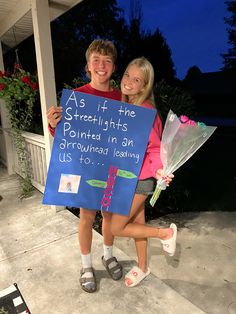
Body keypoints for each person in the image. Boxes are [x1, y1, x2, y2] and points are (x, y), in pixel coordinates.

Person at [47, 39, 123, 293]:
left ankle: (109, 255)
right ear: (88, 67)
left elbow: (129, 136)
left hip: (113, 168)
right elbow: (66, 137)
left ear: (113, 67)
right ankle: (86, 265)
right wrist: (53, 125)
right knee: (87, 217)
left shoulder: (121, 97)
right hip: (87, 167)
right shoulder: (77, 97)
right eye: (96, 61)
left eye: (107, 61)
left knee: (110, 216)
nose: (102, 66)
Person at [109, 57, 177, 287]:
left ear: (144, 85)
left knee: (116, 227)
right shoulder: (126, 106)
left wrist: (159, 169)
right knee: (137, 223)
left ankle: (165, 234)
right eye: (127, 74)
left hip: (141, 179)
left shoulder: (144, 109)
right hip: (128, 177)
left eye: (136, 79)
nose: (128, 81)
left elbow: (155, 147)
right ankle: (143, 267)